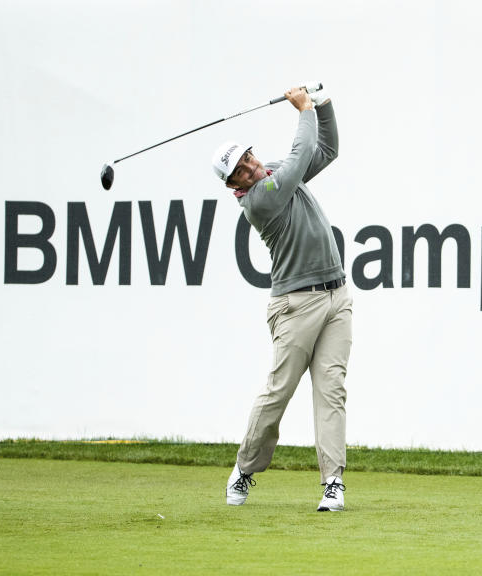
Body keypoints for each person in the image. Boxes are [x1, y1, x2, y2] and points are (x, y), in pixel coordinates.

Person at [211, 85, 350, 512]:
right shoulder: (258, 201)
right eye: (241, 168)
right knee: (278, 392)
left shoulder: (272, 171)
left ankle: (333, 483)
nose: (251, 166)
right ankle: (245, 468)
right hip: (295, 305)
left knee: (332, 390)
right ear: (234, 184)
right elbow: (300, 149)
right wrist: (303, 109)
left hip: (337, 295)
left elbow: (324, 151)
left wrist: (322, 106)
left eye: (248, 157)